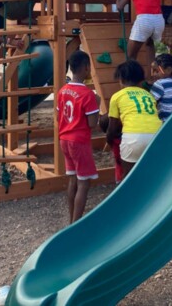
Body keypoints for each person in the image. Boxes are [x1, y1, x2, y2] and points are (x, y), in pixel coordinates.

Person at [57, 50, 100, 223]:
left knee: (72, 179)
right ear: (86, 67)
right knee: (84, 183)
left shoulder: (63, 91)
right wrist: (98, 106)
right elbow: (91, 124)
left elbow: (59, 115)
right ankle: (76, 223)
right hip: (79, 141)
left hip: (64, 139)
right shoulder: (88, 95)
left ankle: (71, 219)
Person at [105, 60, 162, 179]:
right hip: (157, 136)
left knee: (129, 178)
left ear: (121, 79)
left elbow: (112, 128)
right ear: (141, 79)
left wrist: (111, 143)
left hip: (133, 138)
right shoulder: (148, 95)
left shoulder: (117, 96)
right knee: (151, 176)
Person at [150, 54, 172, 122]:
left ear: (168, 70)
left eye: (156, 71)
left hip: (165, 122)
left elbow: (150, 102)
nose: (153, 74)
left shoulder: (159, 84)